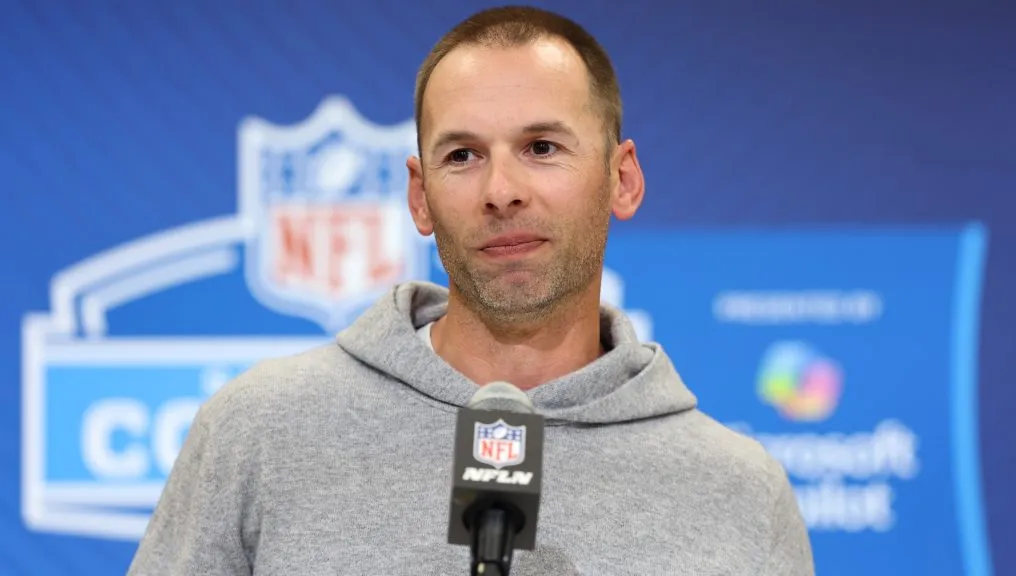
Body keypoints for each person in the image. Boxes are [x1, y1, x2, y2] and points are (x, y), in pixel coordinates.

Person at [128, 5, 814, 575]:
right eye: (463, 156)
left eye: (542, 147)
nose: (502, 192)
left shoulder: (740, 492)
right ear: (420, 198)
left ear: (622, 179)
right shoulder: (258, 431)